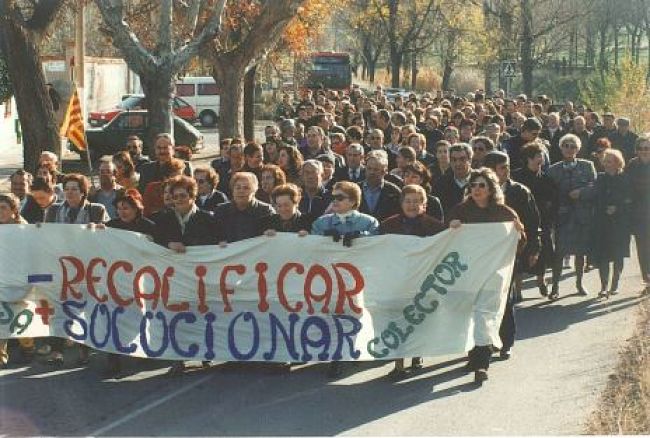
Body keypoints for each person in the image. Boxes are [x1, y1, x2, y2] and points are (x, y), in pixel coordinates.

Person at [448, 168, 525, 384]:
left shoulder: (504, 212)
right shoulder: (460, 211)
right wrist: (452, 226)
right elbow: (447, 240)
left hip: (495, 273)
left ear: (491, 188)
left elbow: (520, 243)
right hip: (468, 272)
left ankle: (482, 363)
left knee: (485, 314)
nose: (477, 189)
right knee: (470, 314)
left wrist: (519, 231)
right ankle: (474, 356)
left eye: (482, 185)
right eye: (473, 185)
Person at [152, 176, 219, 376]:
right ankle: (177, 357)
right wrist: (168, 245)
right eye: (175, 196)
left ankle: (207, 352)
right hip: (174, 279)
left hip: (200, 277)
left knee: (202, 315)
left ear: (192, 196)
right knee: (176, 318)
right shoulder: (163, 218)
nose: (179, 199)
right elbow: (153, 243)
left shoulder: (208, 218)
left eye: (183, 195)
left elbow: (216, 244)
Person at [311, 181, 379, 378]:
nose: (335, 201)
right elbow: (312, 246)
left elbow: (377, 242)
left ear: (353, 201)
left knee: (356, 314)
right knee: (334, 315)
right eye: (334, 197)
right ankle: (337, 355)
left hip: (358, 277)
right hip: (329, 277)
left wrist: (361, 237)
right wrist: (323, 238)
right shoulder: (322, 223)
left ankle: (355, 349)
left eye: (340, 198)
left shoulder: (368, 222)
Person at [379, 185, 446, 379]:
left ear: (424, 205)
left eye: (417, 201)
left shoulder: (434, 226)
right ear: (401, 204)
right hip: (397, 279)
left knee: (420, 318)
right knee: (398, 319)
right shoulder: (387, 226)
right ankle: (398, 363)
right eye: (408, 201)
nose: (412, 205)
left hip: (423, 280)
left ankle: (418, 354)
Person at [44, 173, 110, 366]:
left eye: (74, 189)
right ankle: (57, 351)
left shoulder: (96, 209)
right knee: (59, 306)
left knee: (85, 308)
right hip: (61, 267)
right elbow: (45, 236)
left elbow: (108, 233)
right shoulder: (54, 210)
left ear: (83, 192)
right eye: (67, 189)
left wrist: (99, 228)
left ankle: (84, 349)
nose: (70, 192)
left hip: (87, 268)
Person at [103, 189, 156, 377]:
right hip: (117, 280)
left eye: (126, 208)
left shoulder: (149, 226)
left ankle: (145, 348)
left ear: (136, 208)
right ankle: (113, 358)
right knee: (114, 317)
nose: (122, 212)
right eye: (118, 208)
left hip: (143, 280)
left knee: (142, 315)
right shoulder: (111, 226)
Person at [547, 134, 597, 299]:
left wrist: (581, 192)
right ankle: (555, 287)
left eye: (573, 146)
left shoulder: (587, 166)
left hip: (582, 216)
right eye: (566, 146)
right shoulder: (553, 170)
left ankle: (579, 284)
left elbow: (595, 187)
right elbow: (549, 195)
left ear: (578, 149)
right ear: (561, 148)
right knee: (559, 254)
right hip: (563, 218)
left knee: (580, 253)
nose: (569, 149)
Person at [511, 142, 558, 296]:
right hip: (522, 221)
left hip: (542, 221)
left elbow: (553, 200)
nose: (541, 158)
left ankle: (541, 281)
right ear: (529, 158)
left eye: (542, 155)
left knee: (542, 254)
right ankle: (518, 290)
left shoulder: (546, 179)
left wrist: (550, 220)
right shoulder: (517, 177)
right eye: (538, 156)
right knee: (520, 256)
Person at [0, 194, 35, 368]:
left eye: (3, 208)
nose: (0, 212)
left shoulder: (24, 230)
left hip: (20, 279)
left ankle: (28, 348)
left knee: (20, 314)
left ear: (14, 211)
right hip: (1, 278)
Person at [592, 149, 631, 298]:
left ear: (617, 163)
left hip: (620, 222)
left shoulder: (625, 178)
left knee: (618, 254)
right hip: (602, 221)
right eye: (605, 161)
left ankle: (615, 284)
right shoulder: (600, 178)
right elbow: (596, 197)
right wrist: (604, 208)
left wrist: (617, 208)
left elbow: (629, 199)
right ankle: (603, 286)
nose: (606, 164)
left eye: (609, 161)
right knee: (603, 256)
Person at [214, 172, 275, 243]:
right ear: (233, 190)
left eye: (246, 188)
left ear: (254, 191)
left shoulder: (266, 211)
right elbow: (215, 237)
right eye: (238, 187)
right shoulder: (221, 211)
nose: (241, 191)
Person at [626, 134, 650, 295]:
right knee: (642, 247)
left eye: (647, 148)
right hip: (638, 213)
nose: (643, 151)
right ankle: (647, 279)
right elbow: (627, 187)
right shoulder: (632, 165)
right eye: (640, 148)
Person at [359, 150, 402, 222]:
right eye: (369, 168)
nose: (372, 172)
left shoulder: (394, 192)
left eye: (376, 170)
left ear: (385, 171)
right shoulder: (355, 190)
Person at [433, 143, 473, 217]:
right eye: (454, 160)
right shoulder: (440, 183)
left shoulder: (480, 181)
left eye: (462, 159)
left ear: (470, 160)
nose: (458, 163)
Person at [299, 159, 330, 226]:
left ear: (322, 175)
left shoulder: (330, 198)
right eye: (307, 173)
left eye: (314, 172)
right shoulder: (295, 196)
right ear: (302, 176)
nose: (310, 176)